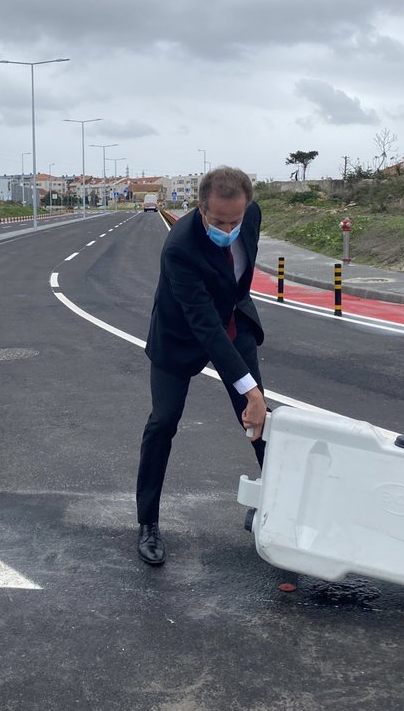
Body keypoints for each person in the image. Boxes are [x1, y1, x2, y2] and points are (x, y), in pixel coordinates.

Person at [135, 166, 267, 566]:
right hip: (182, 335)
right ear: (199, 207)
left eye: (235, 220)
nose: (228, 227)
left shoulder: (252, 216)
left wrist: (253, 397)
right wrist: (252, 388)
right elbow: (204, 325)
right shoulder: (180, 247)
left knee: (259, 421)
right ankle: (148, 524)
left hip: (233, 320)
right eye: (217, 220)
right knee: (164, 421)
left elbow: (233, 286)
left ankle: (280, 505)